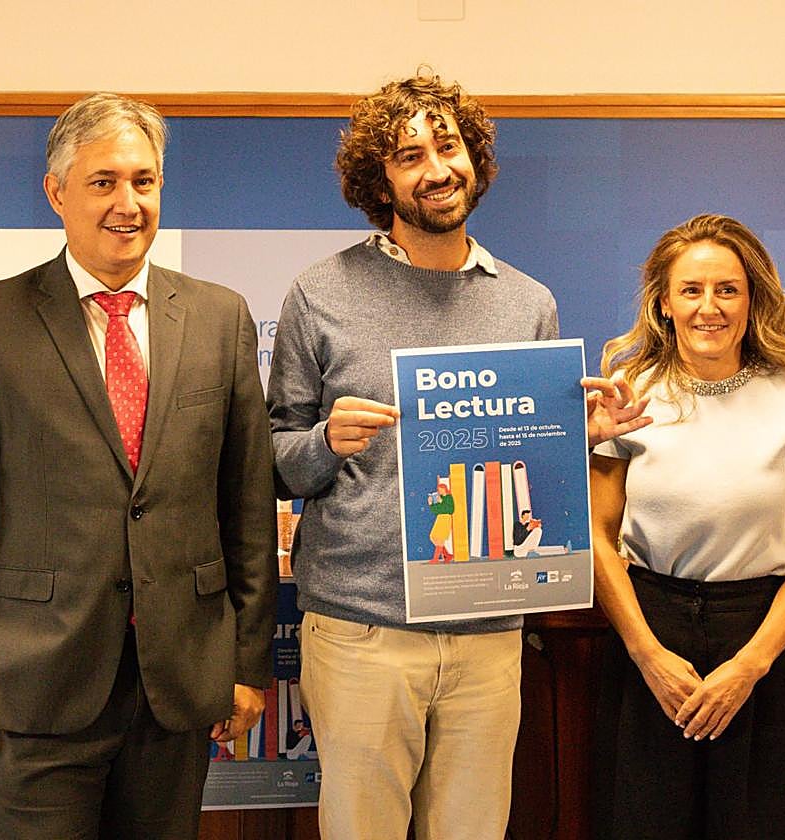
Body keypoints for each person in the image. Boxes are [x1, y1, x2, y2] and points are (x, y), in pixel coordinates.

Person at [266, 72, 651, 840]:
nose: (436, 169)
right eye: (410, 155)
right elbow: (275, 460)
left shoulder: (527, 301)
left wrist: (581, 440)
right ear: (381, 180)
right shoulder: (320, 292)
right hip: (361, 628)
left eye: (448, 147)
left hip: (489, 628)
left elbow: (531, 477)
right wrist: (324, 442)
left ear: (474, 157)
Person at [0, 92, 277, 840]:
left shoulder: (221, 317)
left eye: (144, 181)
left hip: (176, 688)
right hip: (37, 687)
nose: (128, 203)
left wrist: (246, 665)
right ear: (57, 192)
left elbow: (245, 509)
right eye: (104, 181)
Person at [589, 213, 785, 839]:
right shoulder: (628, 396)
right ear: (665, 304)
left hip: (763, 642)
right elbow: (594, 533)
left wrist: (749, 665)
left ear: (752, 299)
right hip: (651, 635)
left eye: (727, 289)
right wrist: (647, 654)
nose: (710, 307)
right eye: (692, 290)